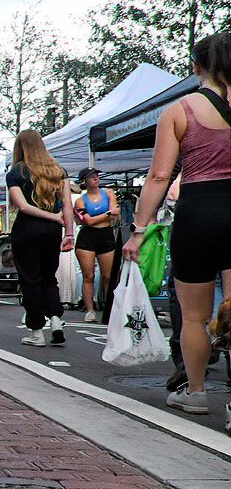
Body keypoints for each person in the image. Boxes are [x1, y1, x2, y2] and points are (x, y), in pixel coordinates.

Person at [123, 33, 231, 426]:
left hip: (199, 211)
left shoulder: (179, 110)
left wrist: (138, 231)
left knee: (194, 317)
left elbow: (159, 176)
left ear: (195, 66)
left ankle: (197, 393)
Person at [4, 130, 76, 348]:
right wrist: (69, 232)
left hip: (26, 230)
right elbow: (67, 205)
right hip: (52, 232)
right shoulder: (58, 171)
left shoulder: (15, 173)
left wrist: (52, 216)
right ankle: (55, 319)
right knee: (48, 277)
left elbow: (23, 207)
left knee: (30, 280)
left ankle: (36, 331)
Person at [73, 167, 120, 323]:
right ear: (85, 181)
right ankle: (89, 309)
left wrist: (105, 215)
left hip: (105, 235)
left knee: (108, 276)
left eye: (96, 175)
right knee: (89, 276)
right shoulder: (81, 200)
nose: (95, 178)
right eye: (91, 176)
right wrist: (107, 214)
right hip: (87, 237)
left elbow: (116, 213)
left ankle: (110, 307)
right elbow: (88, 221)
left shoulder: (108, 193)